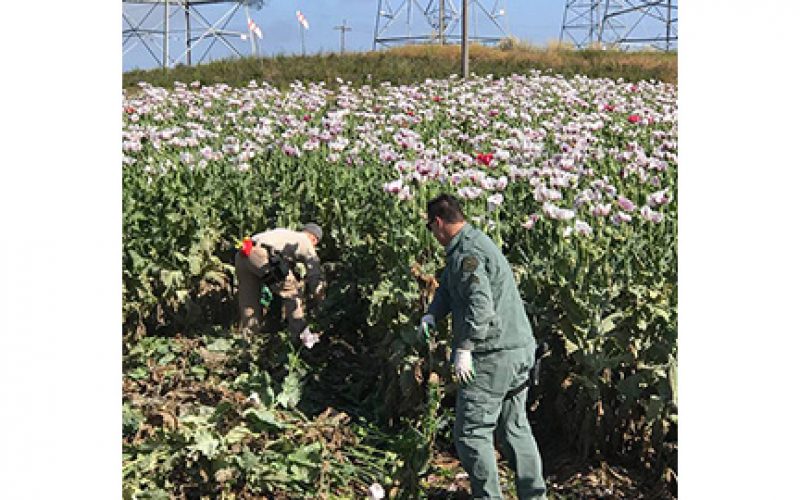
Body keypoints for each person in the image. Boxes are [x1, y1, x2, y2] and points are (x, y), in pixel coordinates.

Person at [419, 194, 547, 500]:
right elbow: (450, 289)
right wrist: (432, 313)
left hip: (492, 356)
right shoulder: (472, 243)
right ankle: (534, 496)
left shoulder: (468, 254)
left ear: (438, 223)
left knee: (471, 434)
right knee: (514, 429)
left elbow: (481, 307)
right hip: (519, 351)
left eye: (429, 228)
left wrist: (465, 348)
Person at [234, 223, 325, 341]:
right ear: (314, 238)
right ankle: (302, 339)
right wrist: (321, 300)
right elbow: (314, 273)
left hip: (244, 251)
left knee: (249, 300)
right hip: (261, 255)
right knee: (292, 292)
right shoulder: (305, 241)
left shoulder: (286, 234)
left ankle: (248, 340)